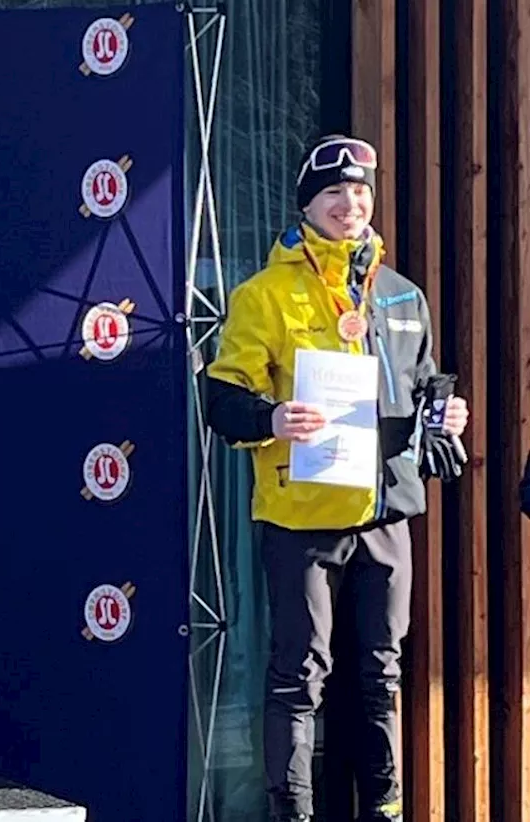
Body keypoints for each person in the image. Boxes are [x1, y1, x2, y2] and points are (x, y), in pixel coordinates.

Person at [204, 134, 468, 822]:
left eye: (359, 192)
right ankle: (291, 812)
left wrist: (445, 417)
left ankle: (381, 805)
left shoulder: (401, 293)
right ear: (307, 207)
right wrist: (272, 417)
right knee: (299, 677)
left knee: (381, 670)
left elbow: (422, 381)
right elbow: (222, 396)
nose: (350, 204)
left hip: (385, 510)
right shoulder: (265, 294)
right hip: (302, 513)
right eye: (333, 194)